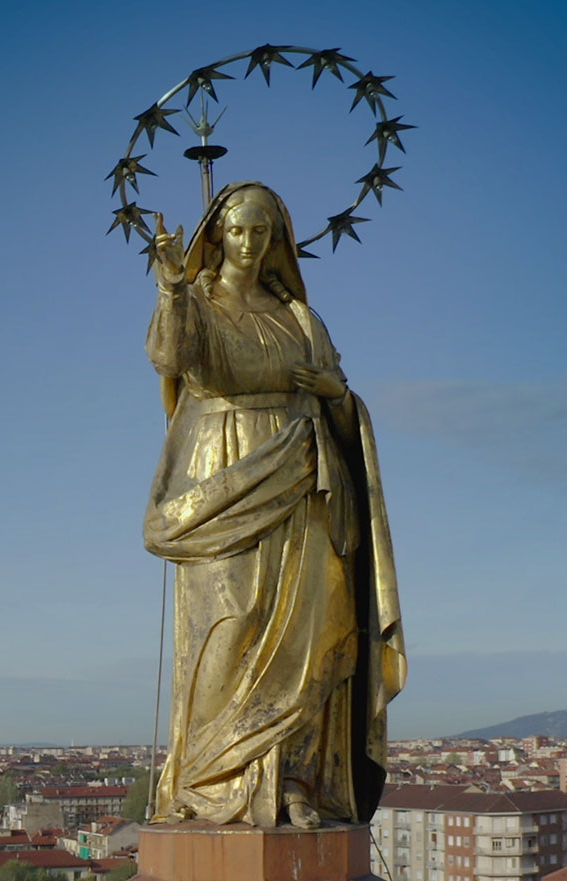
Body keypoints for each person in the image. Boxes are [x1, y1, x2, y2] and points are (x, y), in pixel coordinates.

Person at [143, 181, 405, 829]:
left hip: (308, 479)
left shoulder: (300, 319)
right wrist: (172, 286)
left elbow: (338, 399)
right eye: (237, 231)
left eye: (263, 232)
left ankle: (296, 780)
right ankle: (211, 779)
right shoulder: (197, 302)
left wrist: (335, 393)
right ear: (217, 234)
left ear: (279, 241)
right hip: (224, 474)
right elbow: (169, 358)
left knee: (310, 636)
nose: (249, 244)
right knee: (230, 623)